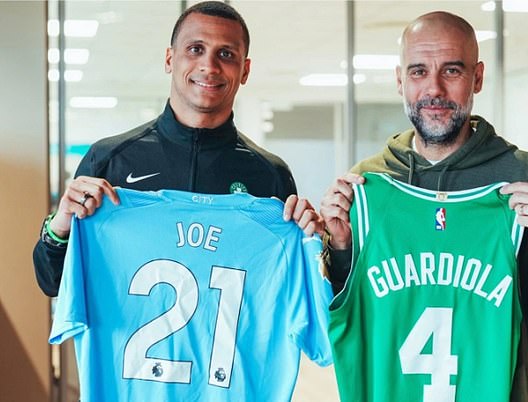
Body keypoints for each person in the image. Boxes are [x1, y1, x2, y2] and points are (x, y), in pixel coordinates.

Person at [320, 11, 528, 402]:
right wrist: (339, 250)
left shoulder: (527, 180)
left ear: (477, 77)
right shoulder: (368, 184)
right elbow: (350, 312)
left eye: (452, 71)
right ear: (400, 80)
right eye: (419, 71)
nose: (434, 89)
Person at [34, 1, 321, 297]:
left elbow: (298, 291)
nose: (209, 66)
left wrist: (320, 244)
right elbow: (52, 282)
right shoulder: (108, 161)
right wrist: (61, 225)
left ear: (245, 70)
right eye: (195, 49)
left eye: (226, 54)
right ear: (170, 59)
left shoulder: (270, 174)